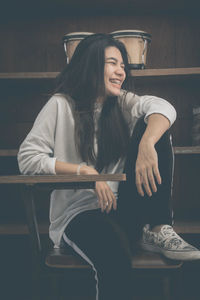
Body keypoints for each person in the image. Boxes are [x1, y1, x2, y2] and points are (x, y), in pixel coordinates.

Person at [17, 33, 200, 300]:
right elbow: (28, 159)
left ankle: (160, 227)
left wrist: (147, 143)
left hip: (124, 209)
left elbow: (163, 107)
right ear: (90, 65)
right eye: (112, 63)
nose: (120, 72)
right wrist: (86, 173)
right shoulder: (60, 105)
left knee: (155, 125)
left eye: (123, 66)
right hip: (80, 216)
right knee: (114, 259)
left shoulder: (122, 103)